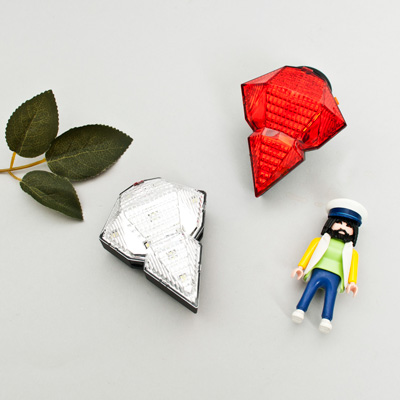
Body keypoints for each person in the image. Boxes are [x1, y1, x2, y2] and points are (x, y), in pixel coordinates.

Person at [291, 199, 367, 334]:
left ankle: (326, 319)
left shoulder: (352, 253)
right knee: (309, 289)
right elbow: (308, 255)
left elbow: (353, 267)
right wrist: (301, 267)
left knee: (331, 297)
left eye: (348, 226)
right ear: (330, 223)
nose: (343, 228)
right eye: (339, 223)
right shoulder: (318, 242)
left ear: (354, 231)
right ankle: (300, 310)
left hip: (335, 278)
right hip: (318, 272)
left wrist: (352, 282)